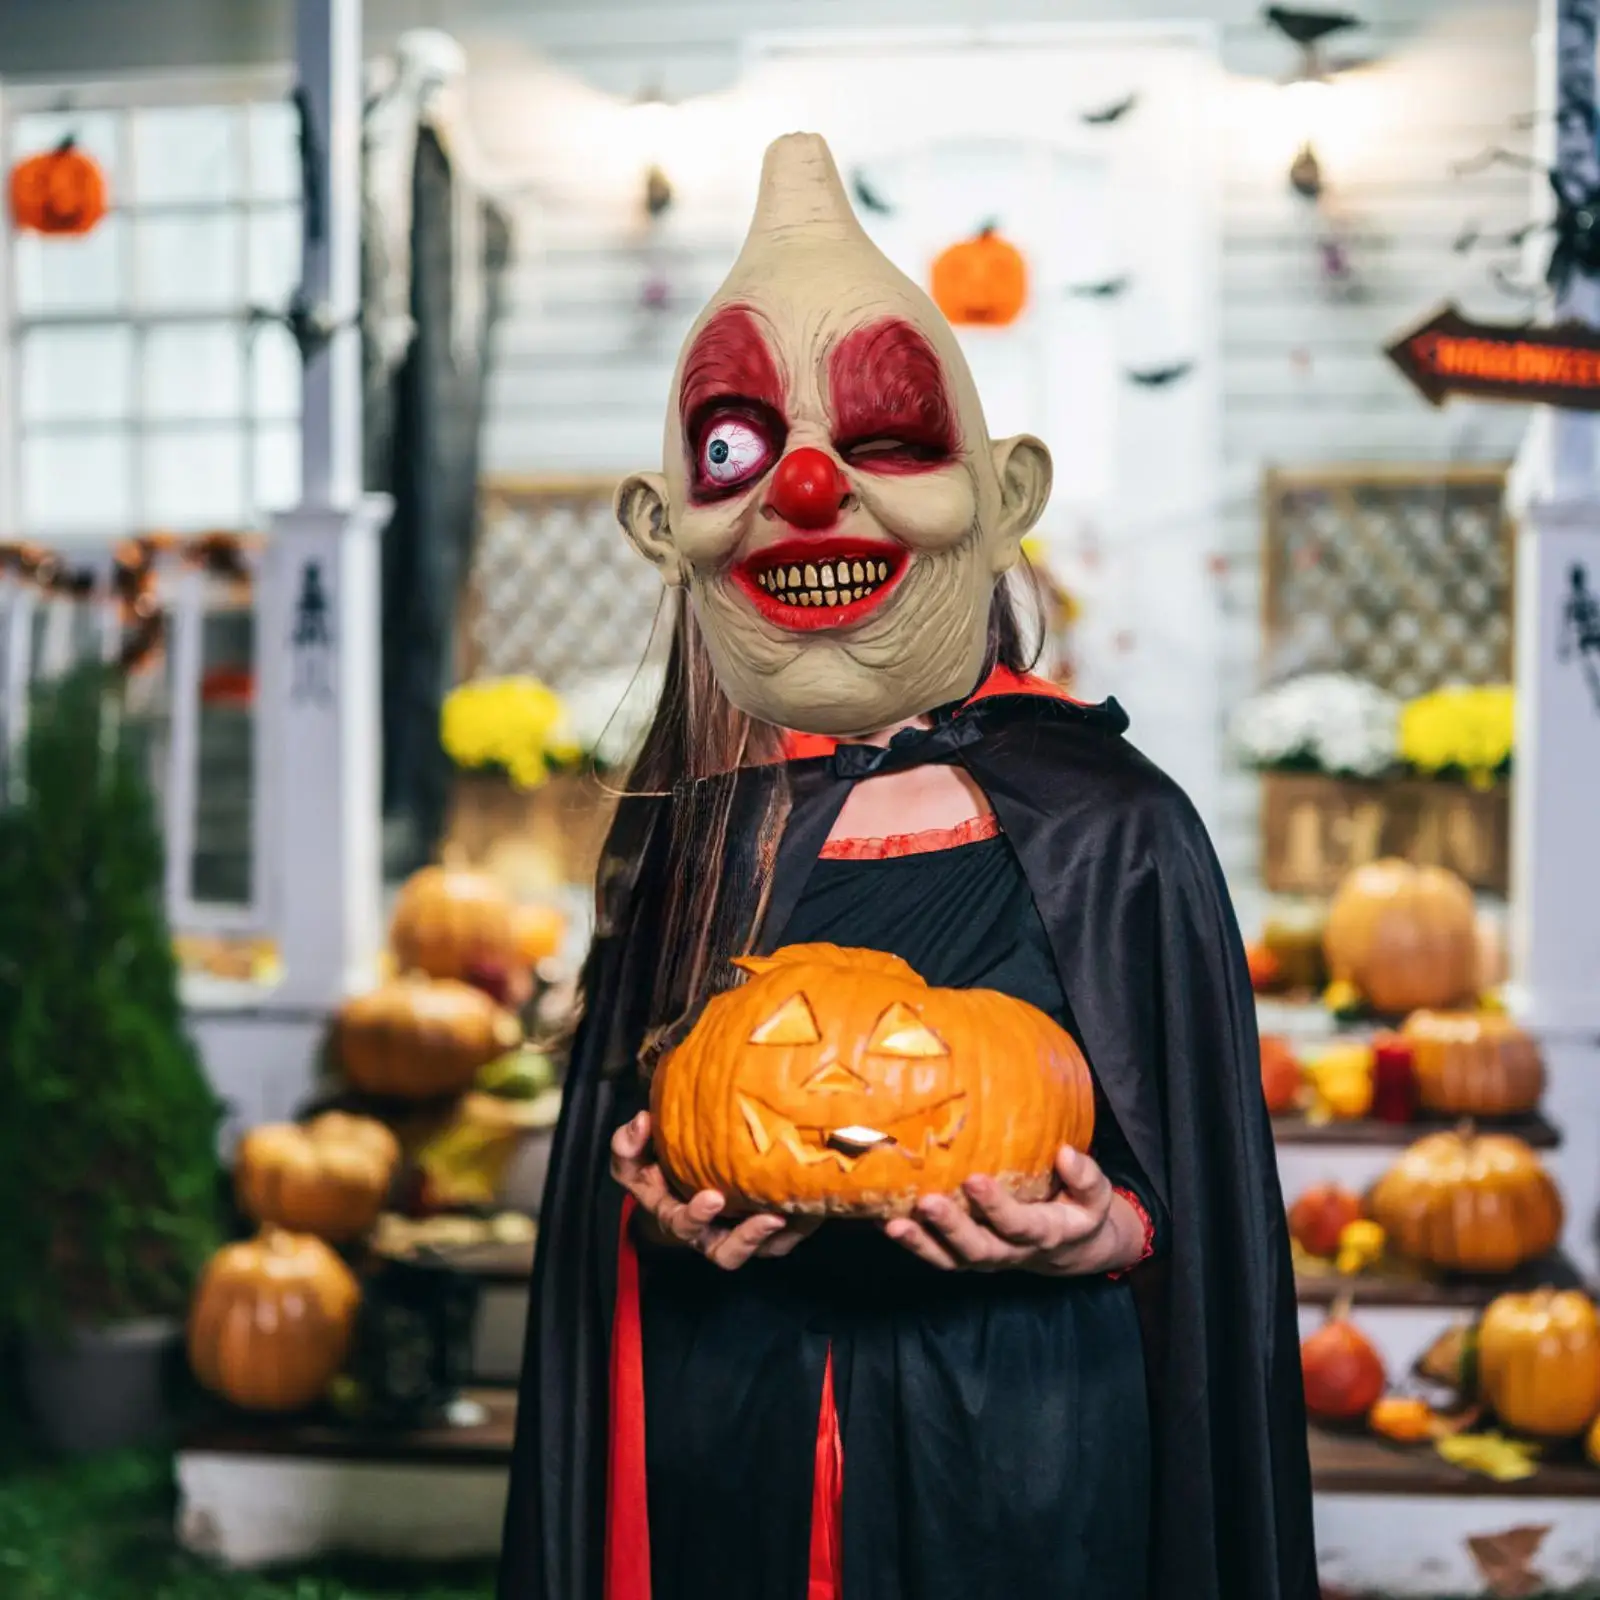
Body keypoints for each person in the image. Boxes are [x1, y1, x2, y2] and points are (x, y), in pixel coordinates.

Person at [499, 132, 1317, 1600]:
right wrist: (651, 1193)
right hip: (723, 1431)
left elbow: (1189, 1193)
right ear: (665, 526)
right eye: (739, 451)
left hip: (1022, 1445)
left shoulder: (1113, 825)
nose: (810, 490)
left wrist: (1104, 1230)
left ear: (1002, 496)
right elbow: (638, 1146)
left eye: (884, 441)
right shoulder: (693, 826)